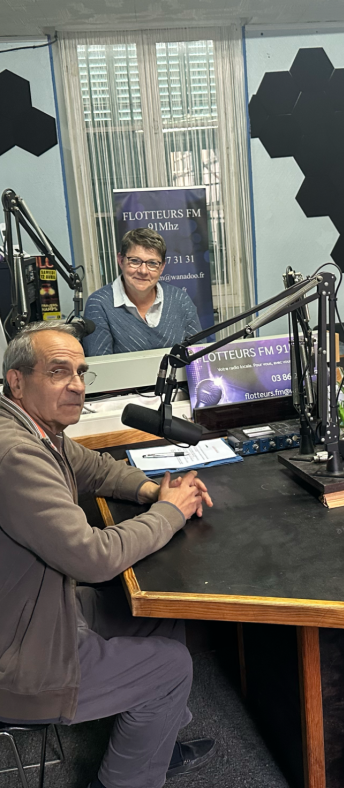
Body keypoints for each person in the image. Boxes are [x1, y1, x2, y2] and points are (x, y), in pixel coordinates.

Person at [0, 321, 217, 788]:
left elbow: (96, 468)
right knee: (171, 667)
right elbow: (91, 557)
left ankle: (153, 746)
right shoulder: (16, 454)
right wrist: (170, 512)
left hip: (36, 613)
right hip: (18, 662)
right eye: (58, 371)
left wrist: (152, 491)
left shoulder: (37, 430)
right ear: (17, 381)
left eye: (81, 372)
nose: (77, 385)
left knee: (159, 613)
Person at [83, 228, 202, 356]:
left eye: (152, 263)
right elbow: (100, 364)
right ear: (120, 260)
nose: (143, 271)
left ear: (162, 267)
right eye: (134, 261)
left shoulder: (180, 299)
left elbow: (198, 355)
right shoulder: (99, 304)